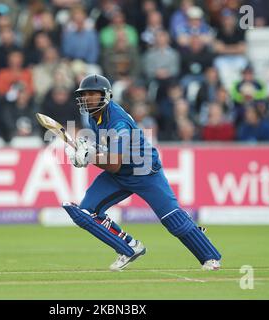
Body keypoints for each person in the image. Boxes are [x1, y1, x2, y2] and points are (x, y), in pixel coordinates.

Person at [62, 74, 221, 271]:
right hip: (120, 174)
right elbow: (106, 150)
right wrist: (85, 151)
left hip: (144, 171)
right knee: (86, 212)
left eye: (92, 94)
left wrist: (89, 157)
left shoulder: (118, 122)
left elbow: (114, 164)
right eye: (84, 94)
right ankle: (129, 247)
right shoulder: (94, 116)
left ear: (106, 96)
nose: (87, 98)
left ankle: (210, 257)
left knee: (173, 220)